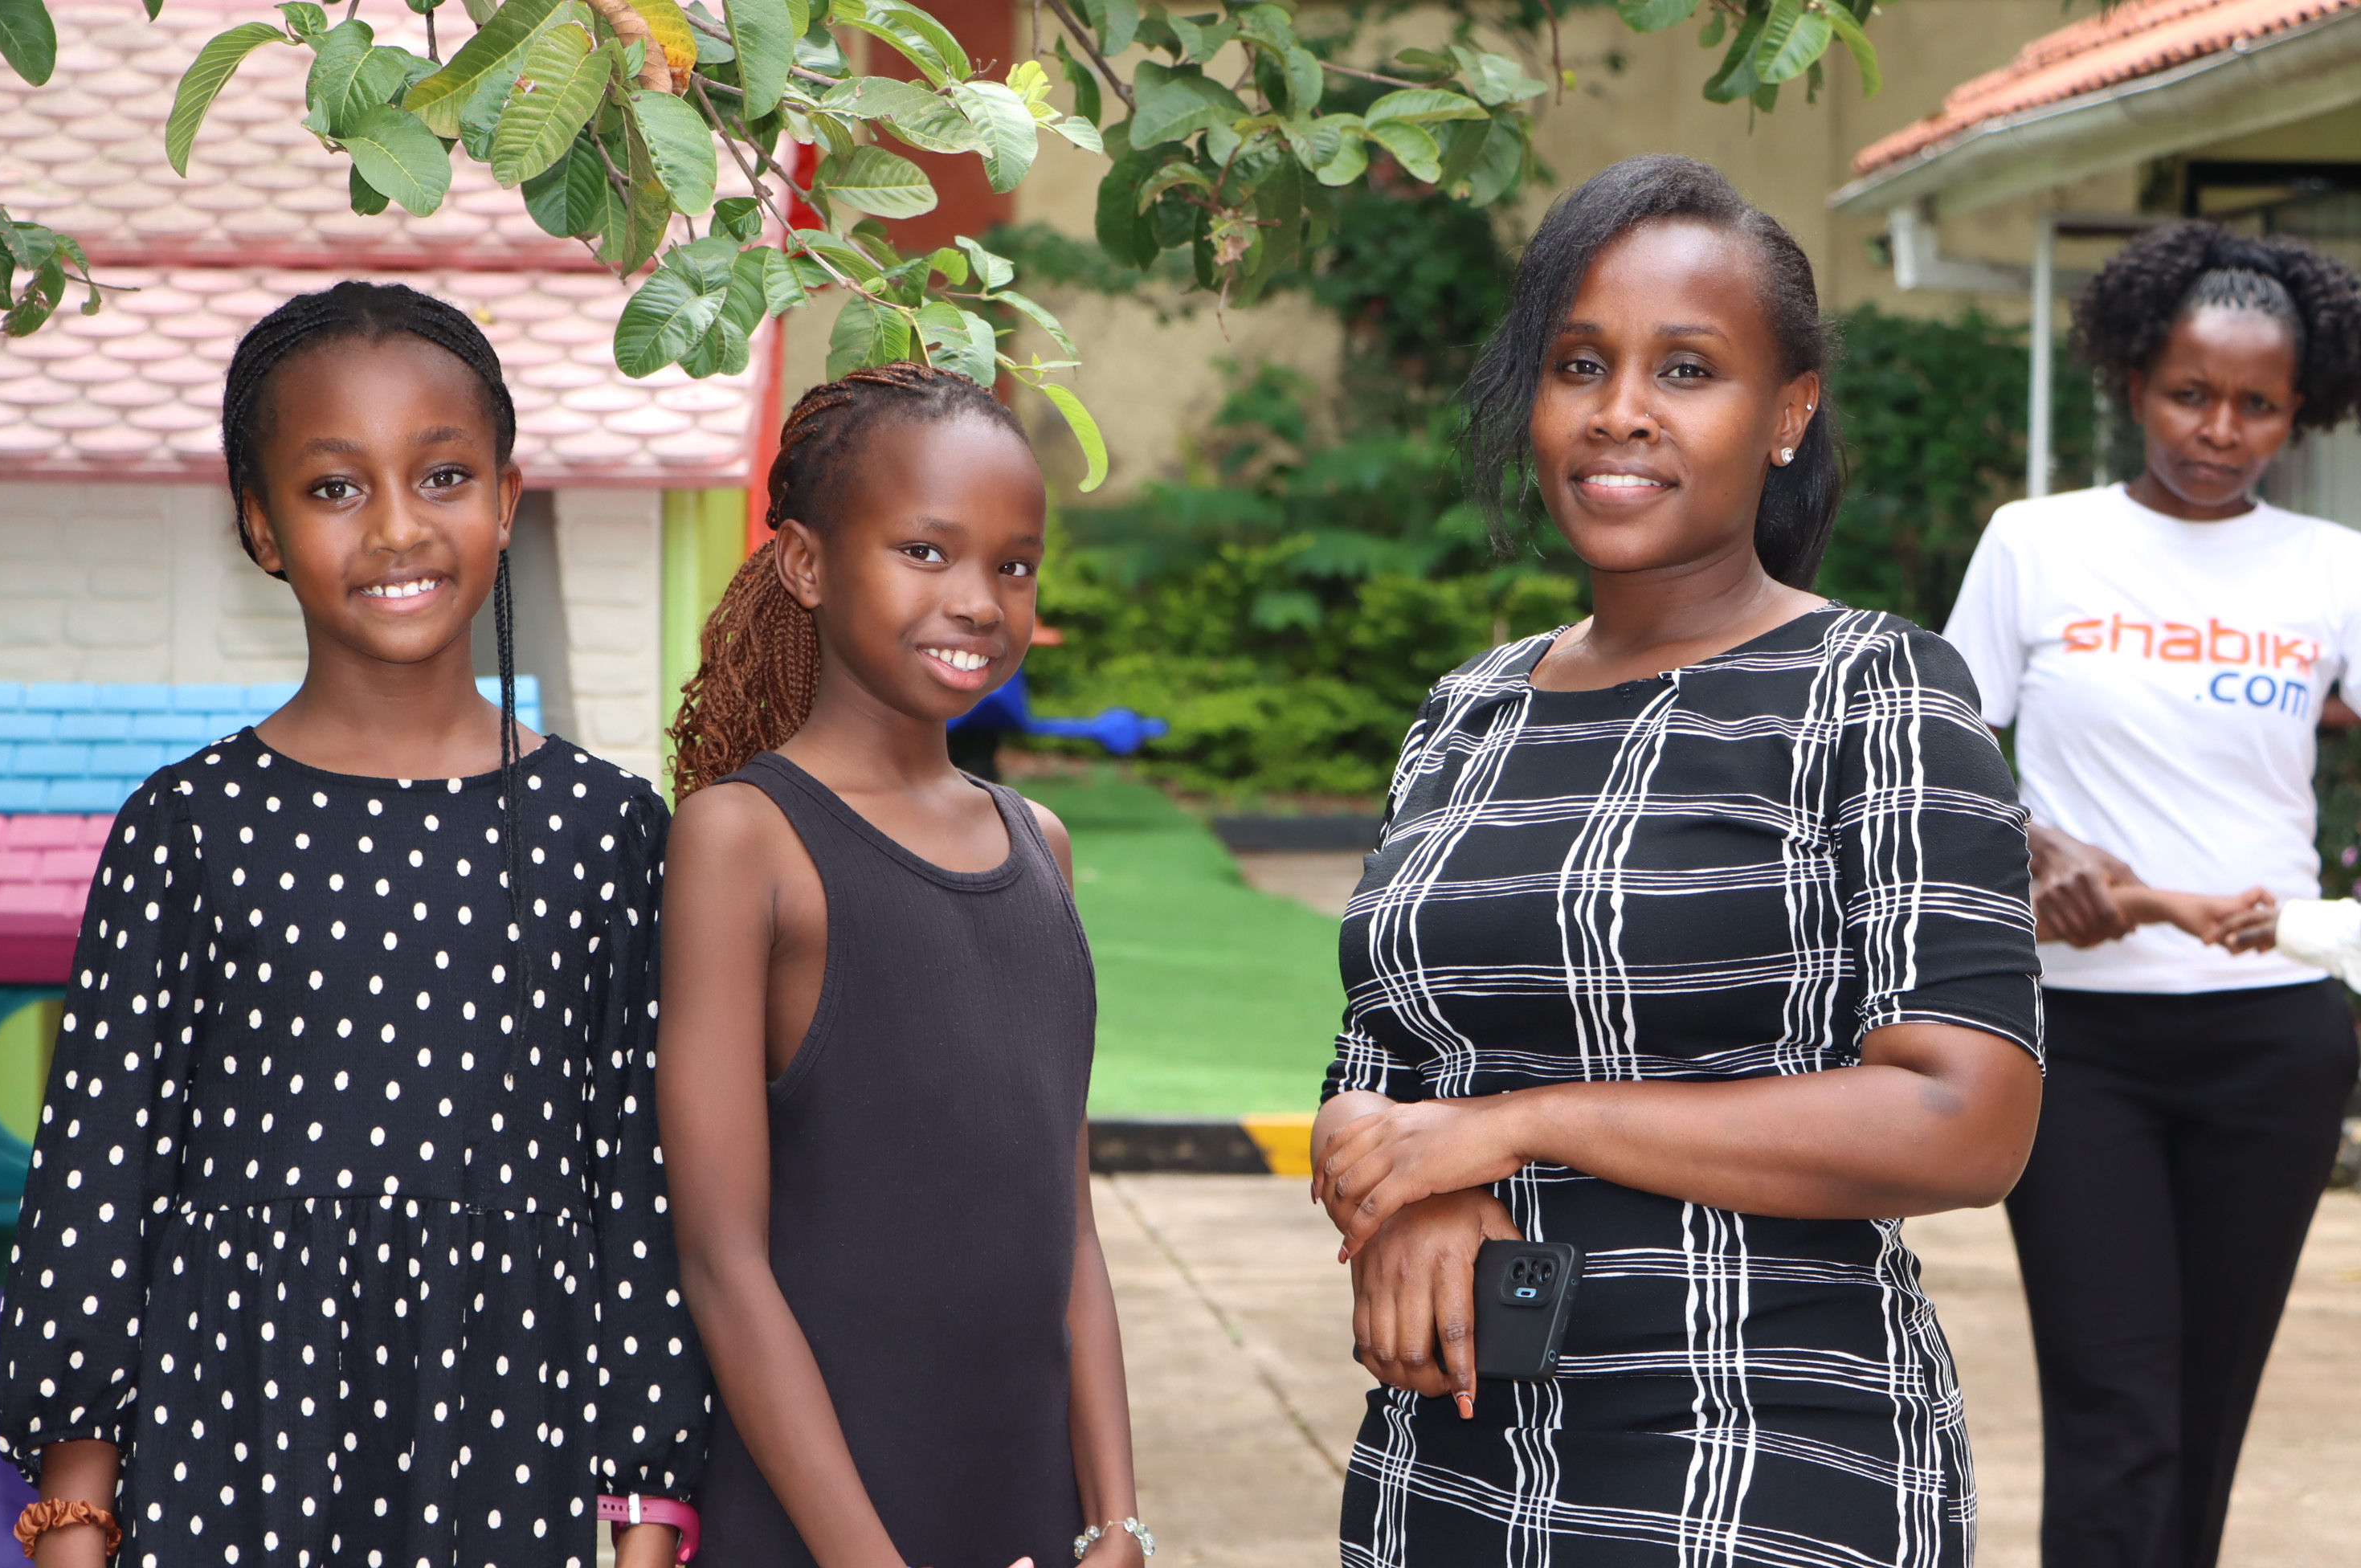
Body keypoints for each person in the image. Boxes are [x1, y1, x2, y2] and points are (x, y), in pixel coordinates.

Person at [1309, 155, 2044, 1566]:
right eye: (1580, 363)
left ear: (1789, 413)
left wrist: (1520, 1126)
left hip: (1762, 1451)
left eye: (1688, 369)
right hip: (1448, 1473)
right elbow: (1377, 1061)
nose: (1621, 412)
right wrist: (1407, 1184)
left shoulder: (1874, 690)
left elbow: (1966, 1118)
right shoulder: (1470, 709)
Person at [0, 282, 709, 1568]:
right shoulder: (186, 829)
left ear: (507, 497)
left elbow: (642, 1194)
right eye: (335, 488)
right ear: (261, 525)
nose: (397, 528)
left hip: (514, 1449)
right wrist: (75, 1520)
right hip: (230, 1448)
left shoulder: (608, 832)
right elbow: (96, 1190)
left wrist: (644, 1511)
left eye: (443, 476)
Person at [654, 364, 1143, 1568]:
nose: (977, 600)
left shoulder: (1040, 846)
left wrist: (1115, 1518)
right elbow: (723, 1261)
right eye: (926, 552)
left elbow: (1069, 1229)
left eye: (1014, 565)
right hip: (819, 1526)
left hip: (1020, 1513)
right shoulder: (744, 841)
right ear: (807, 564)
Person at [1940, 219, 2361, 1568]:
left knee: (2206, 1414)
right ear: (2133, 379)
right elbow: (1936, 761)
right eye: (2190, 393)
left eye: (2259, 405)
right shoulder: (2037, 543)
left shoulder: (2333, 567)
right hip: (2078, 1042)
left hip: (2276, 1034)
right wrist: (2037, 845)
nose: (2221, 430)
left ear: (2301, 409)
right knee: (2116, 1411)